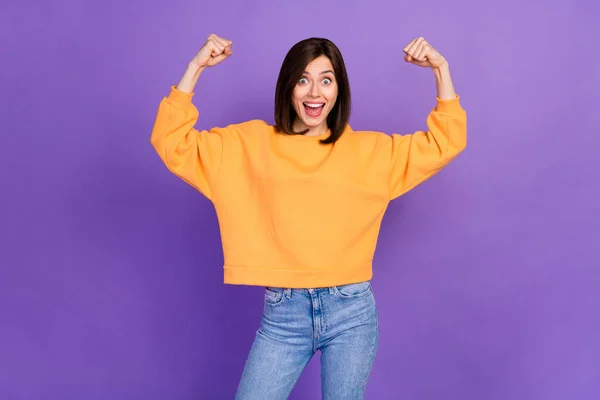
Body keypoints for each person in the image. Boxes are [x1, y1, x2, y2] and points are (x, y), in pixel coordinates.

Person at [150, 34, 466, 399]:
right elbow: (171, 141)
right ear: (288, 87)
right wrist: (195, 68)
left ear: (338, 89)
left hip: (351, 312)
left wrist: (441, 70)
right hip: (284, 316)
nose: (314, 91)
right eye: (303, 79)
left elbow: (446, 142)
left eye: (326, 79)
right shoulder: (247, 146)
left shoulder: (371, 152)